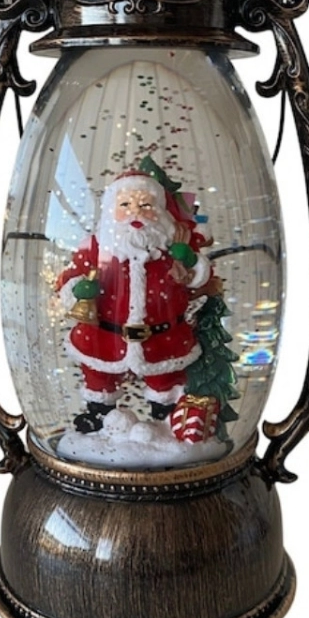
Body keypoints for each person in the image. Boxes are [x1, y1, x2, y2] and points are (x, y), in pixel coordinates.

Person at [56, 169, 213, 437]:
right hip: (104, 337)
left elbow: (198, 279)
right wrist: (78, 289)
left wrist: (189, 261)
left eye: (146, 205)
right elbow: (68, 279)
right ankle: (98, 414)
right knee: (98, 377)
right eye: (125, 205)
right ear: (110, 210)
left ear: (161, 210)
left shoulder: (172, 247)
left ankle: (164, 420)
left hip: (163, 339)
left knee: (165, 381)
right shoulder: (95, 246)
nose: (135, 213)